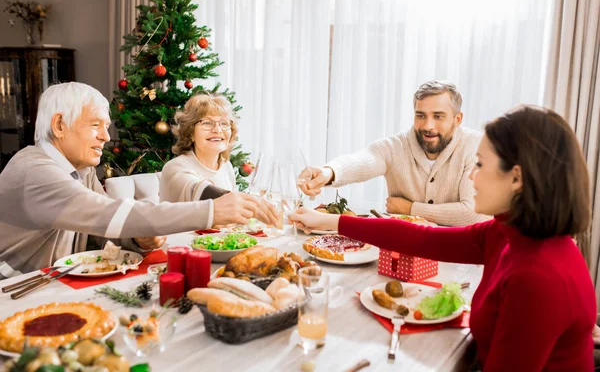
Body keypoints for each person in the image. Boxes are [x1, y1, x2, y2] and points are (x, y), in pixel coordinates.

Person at [291, 105, 596, 371]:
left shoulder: (538, 277)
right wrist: (331, 221)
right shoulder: (509, 233)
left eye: (480, 164)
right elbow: (421, 238)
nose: (471, 176)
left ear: (516, 178)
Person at [0, 82, 278, 279]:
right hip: (11, 292)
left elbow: (104, 228)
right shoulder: (34, 172)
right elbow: (108, 214)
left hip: (46, 284)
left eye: (106, 127)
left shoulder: (80, 170)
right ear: (59, 126)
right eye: (96, 125)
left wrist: (138, 238)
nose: (106, 137)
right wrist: (212, 210)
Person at [299, 80, 489, 226]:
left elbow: (473, 213)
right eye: (420, 115)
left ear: (457, 119)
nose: (428, 126)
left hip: (463, 260)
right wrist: (327, 173)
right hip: (404, 254)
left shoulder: (476, 146)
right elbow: (364, 160)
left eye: (438, 116)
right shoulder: (396, 146)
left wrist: (411, 209)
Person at [160, 93, 237, 201]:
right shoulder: (175, 167)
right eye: (207, 123)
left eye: (224, 123)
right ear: (190, 132)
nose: (218, 130)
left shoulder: (226, 166)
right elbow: (200, 192)